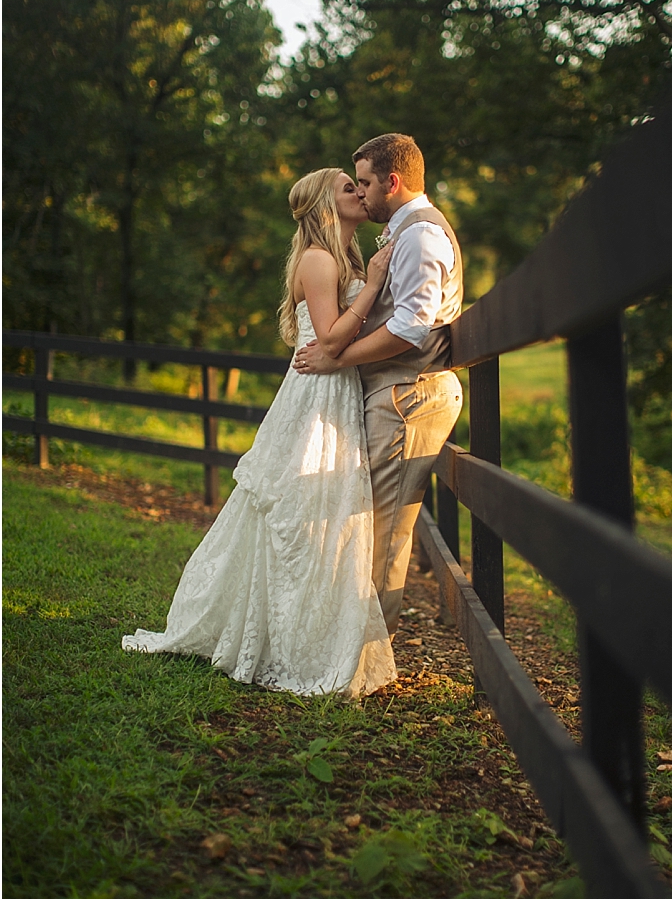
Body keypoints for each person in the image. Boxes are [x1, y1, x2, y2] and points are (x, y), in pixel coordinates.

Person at [122, 168, 397, 697]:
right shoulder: (318, 261)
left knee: (327, 511)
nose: (359, 193)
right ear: (325, 204)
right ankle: (281, 639)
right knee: (297, 513)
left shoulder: (344, 259)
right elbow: (335, 339)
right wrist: (377, 285)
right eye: (348, 187)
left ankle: (310, 634)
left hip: (335, 392)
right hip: (315, 394)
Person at [294, 134, 463, 637]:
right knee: (368, 522)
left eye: (365, 183)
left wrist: (335, 357)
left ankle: (366, 650)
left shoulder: (420, 236)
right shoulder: (400, 233)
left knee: (384, 529)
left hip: (410, 395)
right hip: (395, 394)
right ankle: (350, 641)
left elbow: (412, 326)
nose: (361, 193)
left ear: (392, 182)